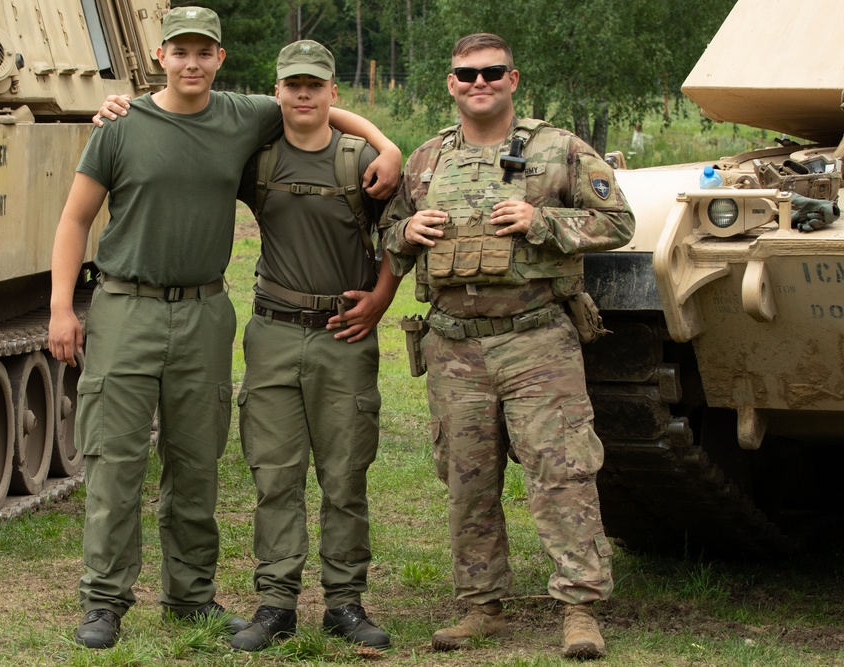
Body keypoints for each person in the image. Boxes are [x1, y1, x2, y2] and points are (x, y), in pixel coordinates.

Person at [48, 6, 400, 650]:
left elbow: (315, 110)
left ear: (219, 60)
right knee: (115, 460)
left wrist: (387, 145)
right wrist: (61, 307)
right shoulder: (120, 128)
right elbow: (75, 220)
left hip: (207, 311)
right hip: (126, 304)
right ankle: (104, 601)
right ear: (161, 57)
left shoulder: (244, 115)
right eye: (179, 51)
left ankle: (189, 596)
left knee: (196, 460)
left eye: (203, 52)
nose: (191, 62)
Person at [380, 33, 635, 660]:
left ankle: (578, 608)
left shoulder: (560, 150)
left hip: (536, 339)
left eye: (492, 73)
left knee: (562, 472)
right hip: (453, 345)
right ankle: (479, 607)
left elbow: (619, 222)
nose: (479, 83)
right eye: (467, 75)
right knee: (467, 479)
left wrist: (543, 222)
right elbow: (384, 235)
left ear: (513, 80)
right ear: (451, 83)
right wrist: (407, 229)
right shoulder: (427, 160)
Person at [227, 40, 401, 653]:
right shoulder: (257, 158)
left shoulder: (364, 165)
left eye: (315, 85)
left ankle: (345, 603)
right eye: (293, 85)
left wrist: (381, 297)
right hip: (272, 334)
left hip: (342, 337)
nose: (304, 94)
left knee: (344, 475)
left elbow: (402, 239)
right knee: (274, 476)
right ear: (277, 93)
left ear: (333, 92)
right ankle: (275, 603)